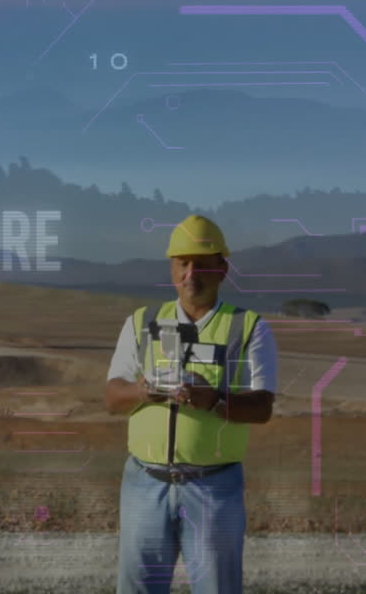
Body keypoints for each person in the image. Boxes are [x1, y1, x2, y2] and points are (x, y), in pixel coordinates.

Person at [105, 214, 278, 594]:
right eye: (182, 264)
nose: (191, 274)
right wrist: (141, 393)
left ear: (222, 269)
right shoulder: (141, 322)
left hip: (214, 488)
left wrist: (215, 401)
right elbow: (113, 396)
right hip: (144, 483)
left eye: (201, 264)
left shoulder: (248, 327)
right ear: (171, 269)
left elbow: (263, 407)